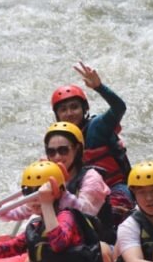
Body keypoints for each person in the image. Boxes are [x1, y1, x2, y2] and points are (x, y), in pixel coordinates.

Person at [0, 122, 116, 242]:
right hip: (63, 241)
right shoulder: (46, 176)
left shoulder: (92, 178)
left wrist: (61, 194)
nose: (57, 157)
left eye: (63, 150)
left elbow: (86, 213)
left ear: (77, 149)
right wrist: (0, 210)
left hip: (95, 244)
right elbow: (25, 210)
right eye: (51, 152)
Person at [50, 62, 133, 225]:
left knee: (115, 211)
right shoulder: (57, 140)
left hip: (114, 187)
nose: (69, 113)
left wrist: (99, 87)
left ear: (85, 109)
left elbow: (119, 107)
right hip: (80, 191)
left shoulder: (97, 127)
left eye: (74, 107)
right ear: (57, 115)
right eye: (63, 109)